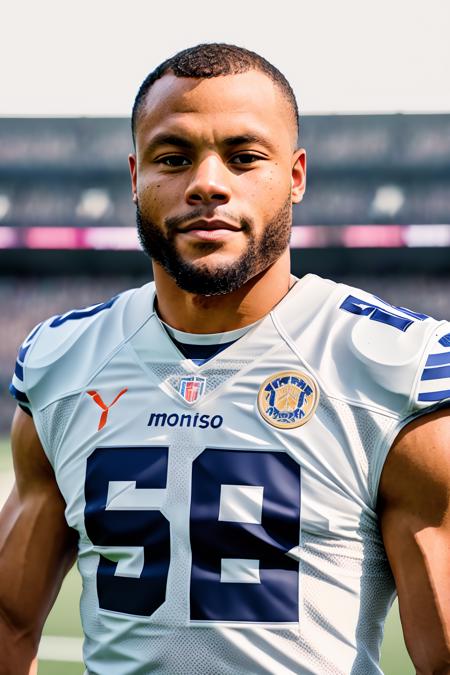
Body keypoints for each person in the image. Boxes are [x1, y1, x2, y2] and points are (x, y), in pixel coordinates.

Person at [1, 43, 449, 675]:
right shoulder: (61, 363)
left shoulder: (391, 366)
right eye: (174, 158)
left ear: (295, 176)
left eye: (243, 157)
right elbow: (10, 620)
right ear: (135, 177)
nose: (207, 184)